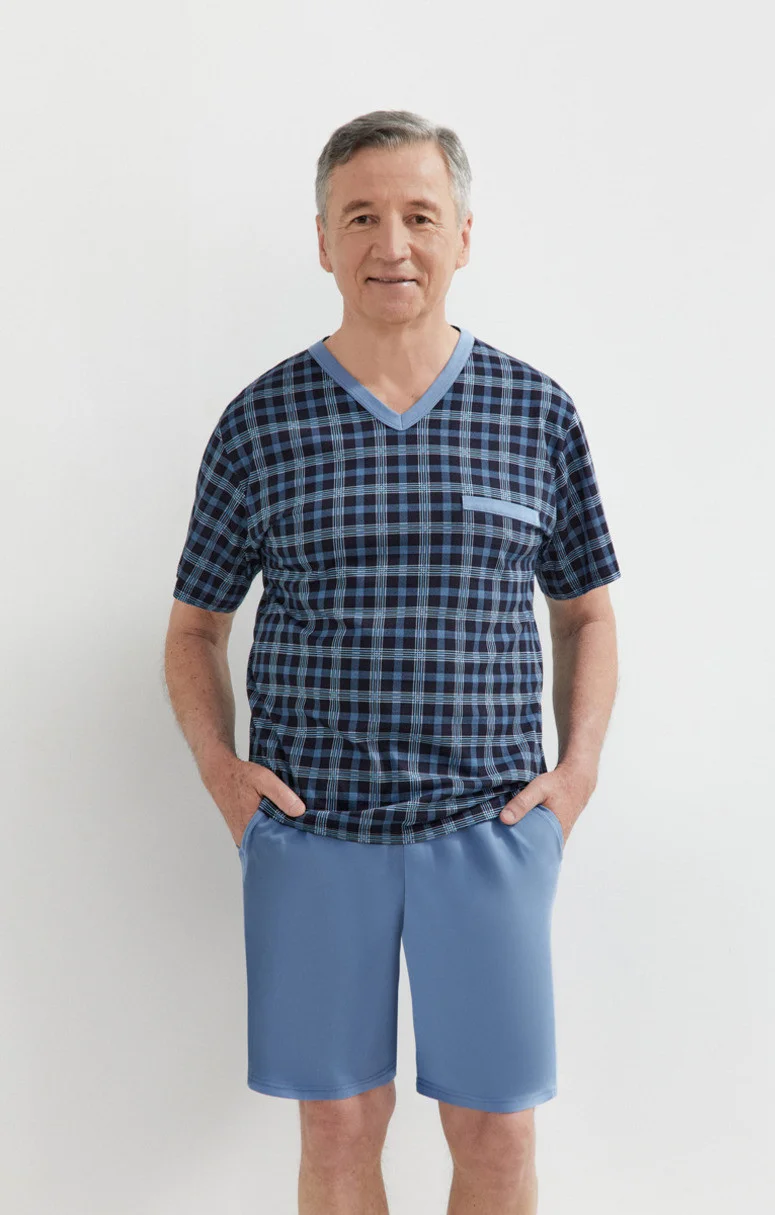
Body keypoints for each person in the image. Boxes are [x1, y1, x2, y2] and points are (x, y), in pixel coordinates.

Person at [164, 109, 621, 1215]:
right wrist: (227, 779)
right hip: (313, 830)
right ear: (324, 241)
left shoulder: (535, 413)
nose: (392, 244)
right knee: (338, 1131)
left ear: (464, 233)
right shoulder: (260, 423)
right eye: (361, 216)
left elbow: (586, 615)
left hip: (492, 827)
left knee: (498, 1134)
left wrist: (576, 777)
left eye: (419, 214)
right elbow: (193, 630)